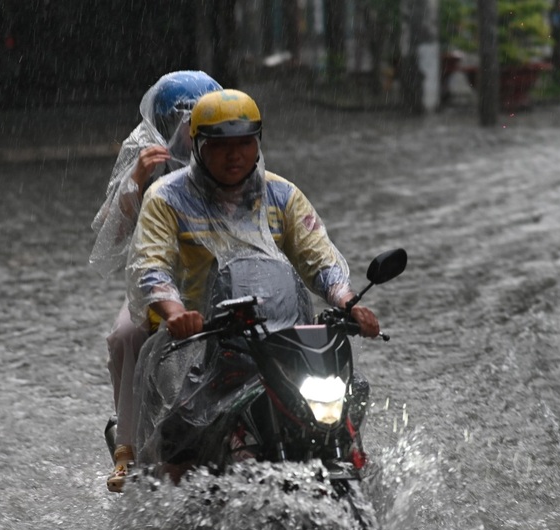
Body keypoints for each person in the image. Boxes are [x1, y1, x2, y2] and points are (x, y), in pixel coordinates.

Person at [125, 89, 381, 461]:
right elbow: (152, 266)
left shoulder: (283, 195)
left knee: (349, 393)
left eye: (244, 143)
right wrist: (177, 313)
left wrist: (348, 302)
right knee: (181, 431)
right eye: (220, 145)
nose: (235, 155)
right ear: (197, 145)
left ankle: (350, 462)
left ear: (257, 142)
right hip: (199, 340)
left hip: (280, 335)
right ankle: (168, 488)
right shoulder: (166, 198)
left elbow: (320, 259)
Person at [89, 71, 221, 493]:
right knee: (125, 336)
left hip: (221, 279)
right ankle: (128, 447)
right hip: (156, 279)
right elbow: (110, 236)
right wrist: (134, 184)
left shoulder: (230, 156)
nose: (186, 132)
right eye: (179, 121)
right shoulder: (146, 160)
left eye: (195, 122)